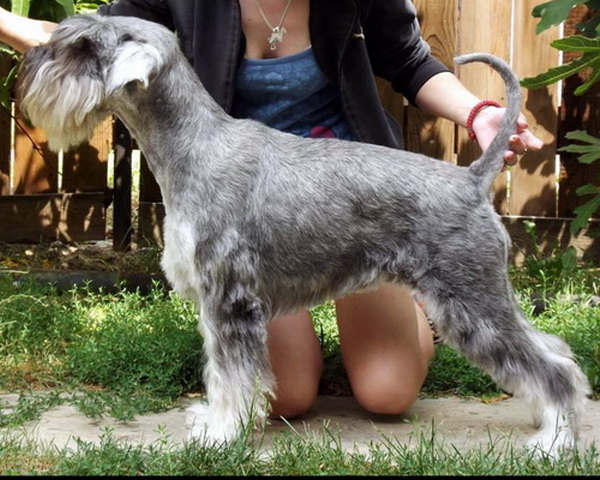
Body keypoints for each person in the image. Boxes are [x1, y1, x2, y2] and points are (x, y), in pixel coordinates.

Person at [0, 0, 544, 421]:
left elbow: (409, 59)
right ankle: (238, 403)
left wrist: (478, 114)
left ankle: (426, 305)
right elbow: (90, 39)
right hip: (240, 185)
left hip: (356, 200)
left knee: (388, 393)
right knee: (284, 394)